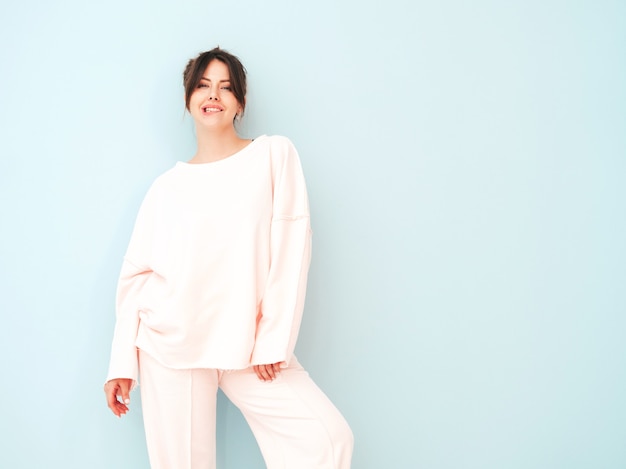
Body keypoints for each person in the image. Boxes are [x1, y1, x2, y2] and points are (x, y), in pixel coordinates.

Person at [103, 47, 354, 469]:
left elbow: (292, 244)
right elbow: (136, 279)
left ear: (240, 102)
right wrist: (121, 363)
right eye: (202, 85)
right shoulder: (165, 189)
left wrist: (274, 340)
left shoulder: (273, 156)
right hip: (171, 347)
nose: (213, 94)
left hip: (249, 343)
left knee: (326, 441)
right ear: (188, 99)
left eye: (225, 87)